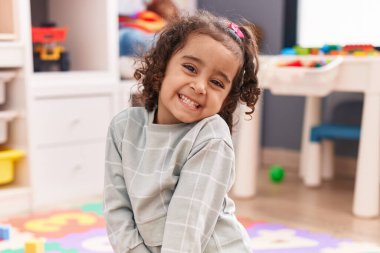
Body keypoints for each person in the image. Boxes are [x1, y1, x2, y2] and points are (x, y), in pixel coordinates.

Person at [104, 10, 261, 253]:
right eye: (190, 68)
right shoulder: (123, 128)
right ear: (162, 66)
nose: (199, 87)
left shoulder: (211, 136)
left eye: (217, 83)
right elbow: (117, 211)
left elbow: (186, 227)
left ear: (227, 100)